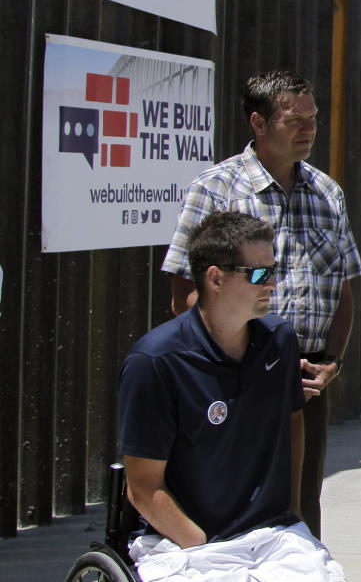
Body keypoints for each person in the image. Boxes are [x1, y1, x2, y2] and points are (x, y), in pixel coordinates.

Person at [161, 70, 361, 539]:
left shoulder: (328, 194)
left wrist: (331, 361)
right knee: (230, 503)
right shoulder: (214, 190)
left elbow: (344, 290)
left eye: (313, 119)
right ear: (258, 121)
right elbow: (183, 296)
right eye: (295, 121)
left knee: (298, 505)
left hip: (305, 379)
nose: (309, 129)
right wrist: (246, 360)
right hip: (233, 377)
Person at [119, 211, 345, 581]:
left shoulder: (280, 340)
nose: (272, 283)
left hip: (272, 537)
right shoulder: (154, 362)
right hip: (187, 545)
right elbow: (143, 488)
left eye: (274, 270)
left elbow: (293, 420)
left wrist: (292, 509)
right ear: (215, 278)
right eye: (258, 274)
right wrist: (199, 542)